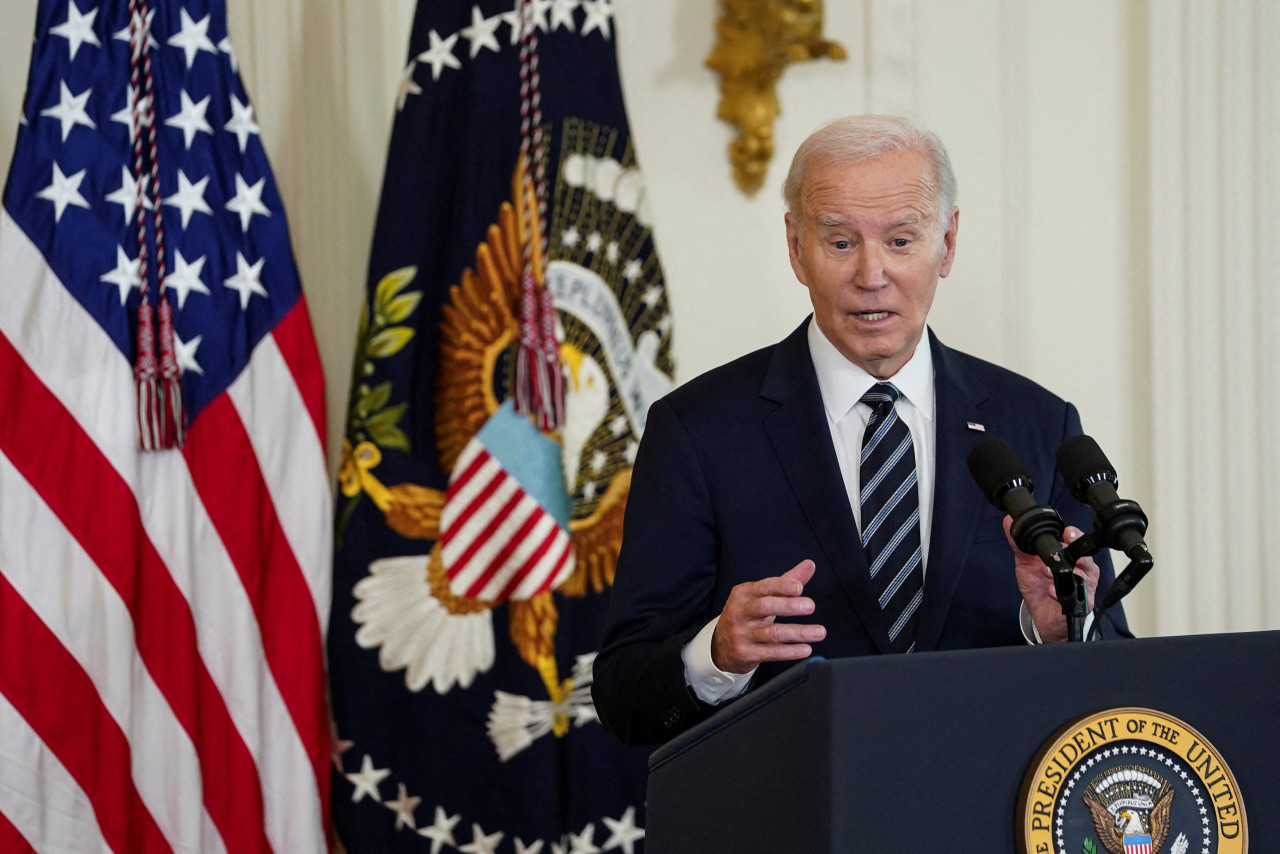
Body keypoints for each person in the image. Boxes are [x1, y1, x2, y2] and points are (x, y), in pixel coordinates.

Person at [591, 114, 1131, 747]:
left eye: (901, 241)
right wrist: (717, 655)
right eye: (841, 242)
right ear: (796, 247)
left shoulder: (1039, 424)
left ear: (948, 244)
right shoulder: (699, 430)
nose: (872, 275)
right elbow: (624, 695)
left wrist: (1061, 630)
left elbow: (1115, 671)